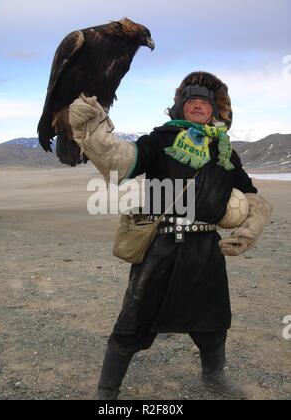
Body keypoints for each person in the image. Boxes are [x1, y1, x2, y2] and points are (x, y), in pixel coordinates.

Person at [68, 71, 273, 400]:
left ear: (214, 111)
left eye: (204, 103)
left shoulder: (225, 152)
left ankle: (214, 376)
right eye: (190, 101)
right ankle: (107, 390)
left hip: (206, 247)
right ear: (179, 108)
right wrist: (92, 132)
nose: (197, 106)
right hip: (162, 245)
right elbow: (122, 163)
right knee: (135, 315)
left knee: (213, 316)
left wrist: (251, 228)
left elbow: (251, 195)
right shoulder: (160, 139)